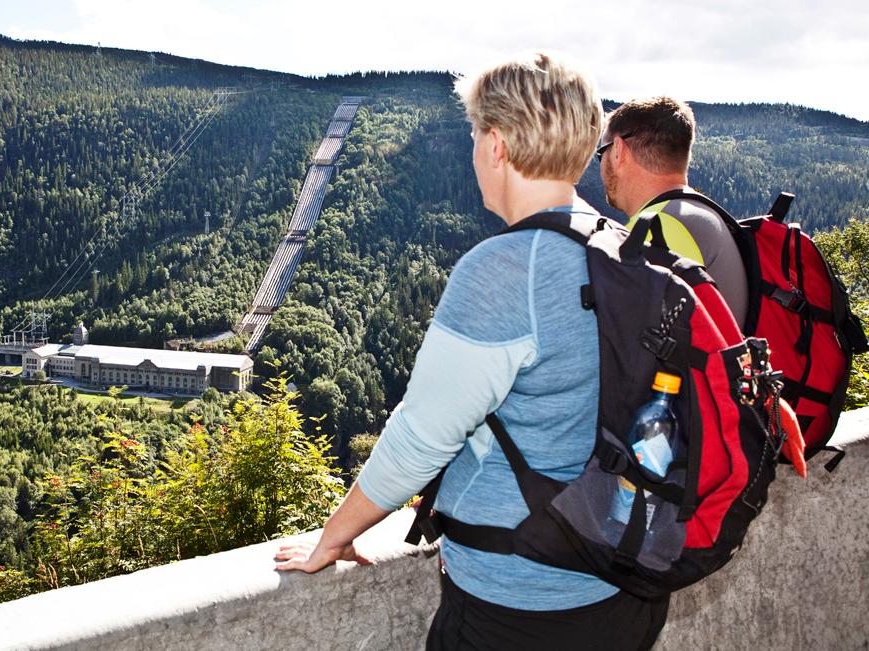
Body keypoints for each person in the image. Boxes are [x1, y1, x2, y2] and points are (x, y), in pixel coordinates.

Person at [275, 52, 669, 650]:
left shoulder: (506, 269)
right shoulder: (623, 248)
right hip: (623, 588)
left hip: (521, 603)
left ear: (497, 145)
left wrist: (332, 537)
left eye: (475, 132)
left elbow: (421, 437)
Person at [598, 96, 749, 325]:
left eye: (602, 153)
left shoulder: (656, 229)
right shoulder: (703, 214)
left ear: (618, 151)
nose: (600, 165)